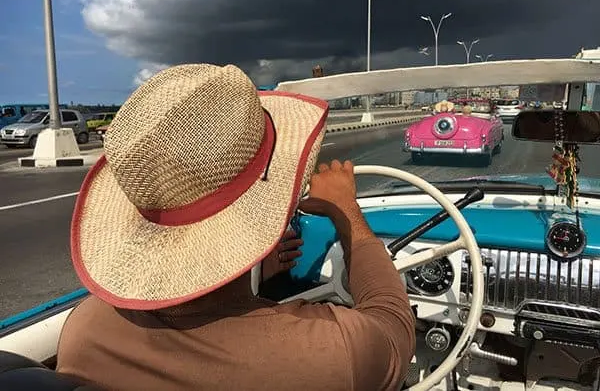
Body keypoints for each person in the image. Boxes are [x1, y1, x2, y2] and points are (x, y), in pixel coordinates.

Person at [56, 64, 416, 390]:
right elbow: (392, 321)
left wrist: (255, 271)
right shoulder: (329, 353)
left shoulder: (86, 331)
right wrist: (346, 211)